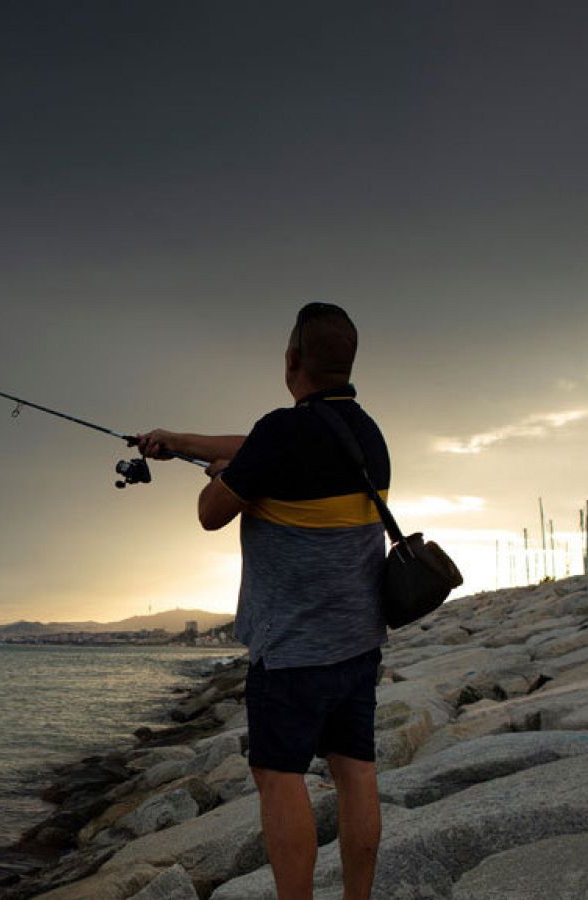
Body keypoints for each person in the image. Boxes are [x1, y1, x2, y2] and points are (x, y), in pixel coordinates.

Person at [137, 302, 388, 900]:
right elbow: (264, 447)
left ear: (291, 360)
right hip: (359, 641)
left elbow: (210, 513)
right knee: (356, 773)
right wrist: (180, 441)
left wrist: (230, 480)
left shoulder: (283, 433)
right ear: (346, 362)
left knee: (279, 778)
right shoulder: (366, 432)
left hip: (291, 648)